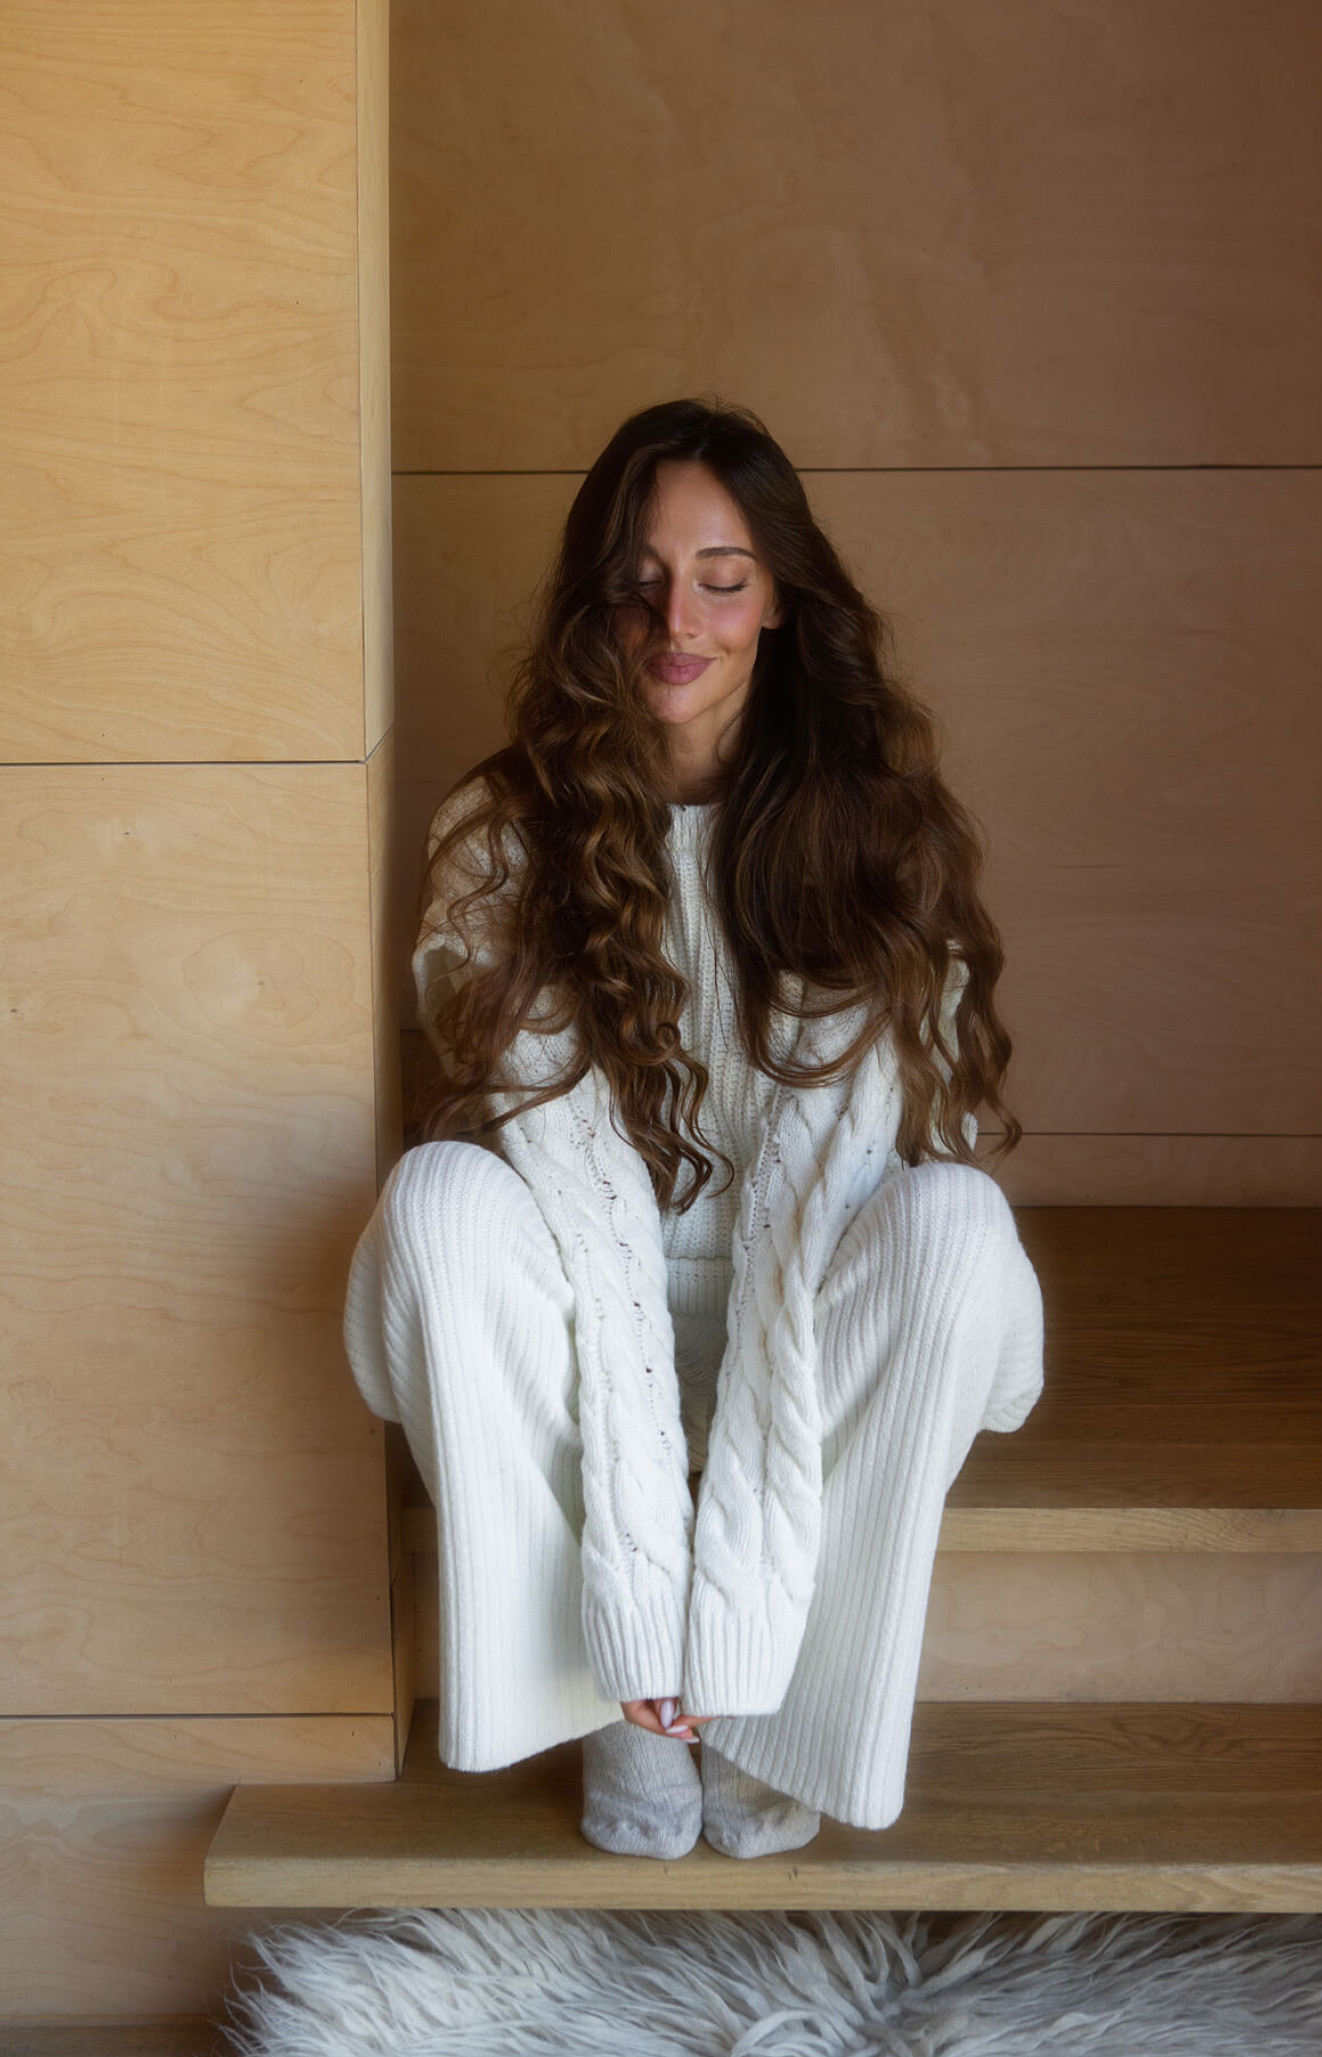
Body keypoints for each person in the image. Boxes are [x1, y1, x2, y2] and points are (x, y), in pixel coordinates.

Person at [342, 398, 1045, 1862]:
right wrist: (644, 1569)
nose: (680, 621)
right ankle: (614, 1680)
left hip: (812, 1319)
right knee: (437, 1201)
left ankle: (772, 1691)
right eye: (642, 580)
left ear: (779, 596)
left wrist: (735, 1574)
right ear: (593, 598)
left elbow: (917, 1144)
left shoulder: (874, 826)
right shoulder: (501, 832)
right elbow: (539, 1176)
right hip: (581, 1314)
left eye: (722, 578)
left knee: (959, 1226)